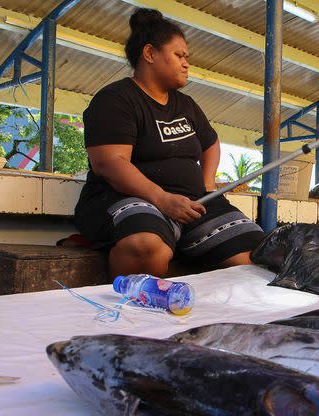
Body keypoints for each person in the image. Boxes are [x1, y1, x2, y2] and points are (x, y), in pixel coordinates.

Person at [74, 9, 264, 278]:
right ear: (150, 54)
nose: (186, 63)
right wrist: (162, 199)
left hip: (191, 203)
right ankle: (137, 314)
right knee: (145, 245)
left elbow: (211, 143)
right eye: (179, 56)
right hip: (129, 197)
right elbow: (109, 163)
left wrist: (207, 186)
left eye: (187, 57)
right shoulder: (116, 99)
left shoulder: (185, 104)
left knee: (255, 252)